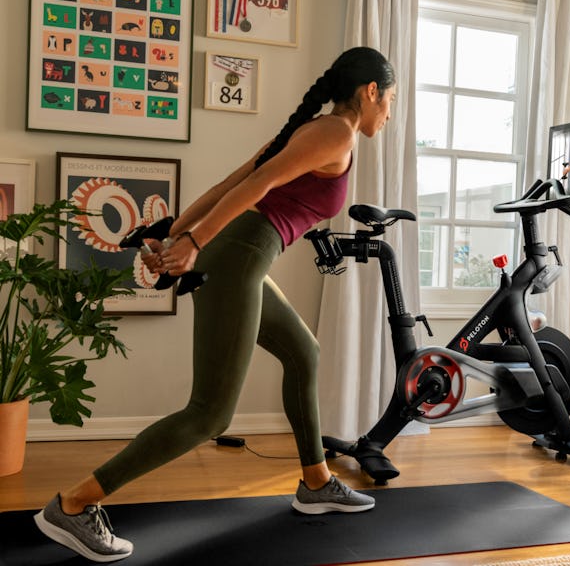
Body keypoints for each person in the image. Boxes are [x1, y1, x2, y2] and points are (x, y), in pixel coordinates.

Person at [33, 46, 397, 562]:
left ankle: (316, 482)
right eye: (391, 101)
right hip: (236, 257)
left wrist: (176, 232)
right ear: (370, 92)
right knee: (210, 415)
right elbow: (256, 185)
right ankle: (73, 505)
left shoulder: (311, 132)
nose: (389, 113)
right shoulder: (334, 133)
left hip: (240, 257)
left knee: (303, 353)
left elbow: (236, 182)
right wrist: (194, 242)